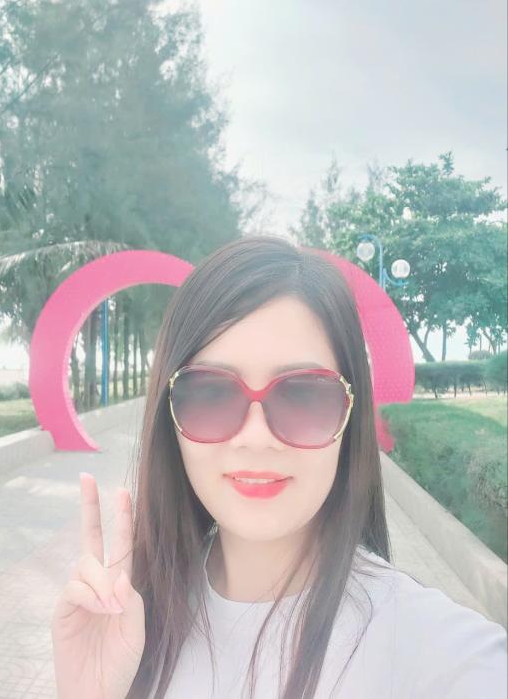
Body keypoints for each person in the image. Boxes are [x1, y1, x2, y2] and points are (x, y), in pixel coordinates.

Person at [51, 235, 507, 699]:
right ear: (169, 417)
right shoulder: (133, 621)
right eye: (211, 393)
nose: (256, 437)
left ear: (350, 417)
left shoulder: (438, 653)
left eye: (304, 394)